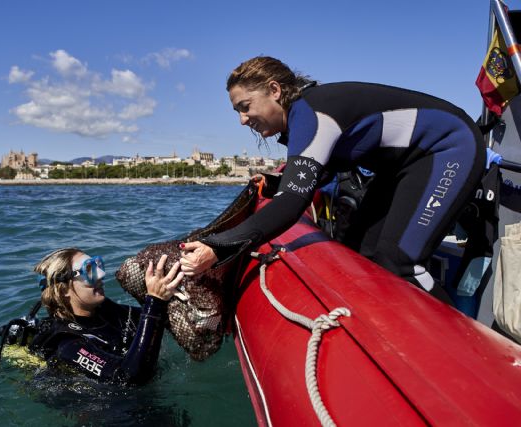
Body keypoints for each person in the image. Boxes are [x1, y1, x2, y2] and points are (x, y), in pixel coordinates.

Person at [179, 56, 485, 301]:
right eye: (237, 112)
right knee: (360, 249)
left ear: (274, 91)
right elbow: (319, 172)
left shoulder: (312, 114)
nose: (242, 120)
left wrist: (217, 246)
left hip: (449, 148)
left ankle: (473, 357)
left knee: (399, 263)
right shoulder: (301, 119)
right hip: (401, 167)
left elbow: (291, 204)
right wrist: (275, 183)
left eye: (245, 107)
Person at [14, 247, 183, 385]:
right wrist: (154, 301)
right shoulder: (67, 343)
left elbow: (158, 319)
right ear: (64, 289)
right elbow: (128, 379)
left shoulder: (107, 312)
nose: (101, 275)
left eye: (97, 266)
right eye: (89, 271)